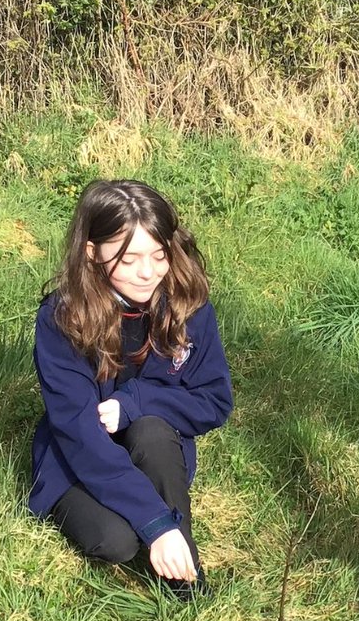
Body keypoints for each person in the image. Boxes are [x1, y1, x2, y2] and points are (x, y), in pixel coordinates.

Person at [29, 179, 233, 599]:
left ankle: (184, 579)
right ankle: (156, 524)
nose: (148, 272)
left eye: (160, 255)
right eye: (129, 258)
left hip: (155, 451)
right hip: (80, 456)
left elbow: (215, 400)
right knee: (118, 541)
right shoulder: (61, 318)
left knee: (153, 430)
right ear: (92, 253)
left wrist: (137, 402)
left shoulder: (187, 304)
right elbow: (78, 433)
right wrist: (155, 522)